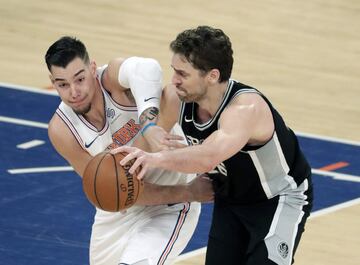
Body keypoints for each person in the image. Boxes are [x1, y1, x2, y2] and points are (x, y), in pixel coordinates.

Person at [117, 26, 314, 265]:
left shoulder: (245, 109)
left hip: (278, 198)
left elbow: (207, 157)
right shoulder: (177, 98)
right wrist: (141, 144)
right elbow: (146, 140)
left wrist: (154, 159)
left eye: (183, 74)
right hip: (230, 198)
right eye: (174, 71)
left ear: (211, 76)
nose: (174, 81)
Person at [45, 36, 213, 265]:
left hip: (171, 200)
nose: (74, 91)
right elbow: (111, 190)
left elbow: (148, 68)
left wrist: (149, 125)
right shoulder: (61, 130)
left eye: (80, 79)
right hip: (120, 207)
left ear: (93, 68)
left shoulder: (113, 81)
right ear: (52, 82)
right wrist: (191, 193)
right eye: (63, 84)